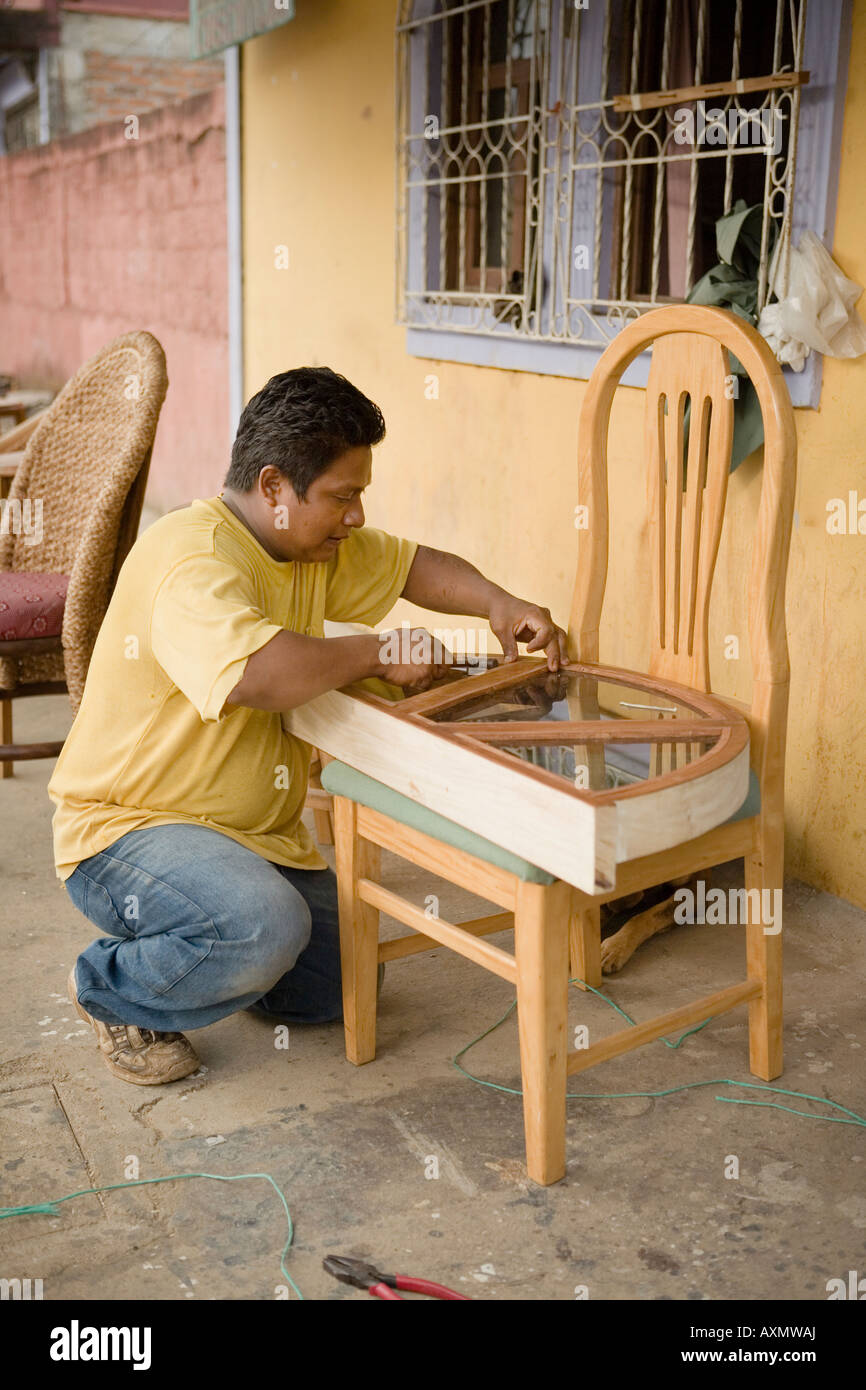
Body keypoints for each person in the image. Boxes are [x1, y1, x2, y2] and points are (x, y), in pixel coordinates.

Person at [48, 367, 568, 1085]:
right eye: (343, 497)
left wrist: (499, 603)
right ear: (272, 488)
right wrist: (382, 652)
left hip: (252, 838)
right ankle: (111, 987)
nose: (355, 517)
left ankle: (217, 947)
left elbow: (415, 566)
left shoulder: (306, 545)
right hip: (127, 833)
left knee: (341, 986)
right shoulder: (191, 558)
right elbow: (258, 675)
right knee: (264, 928)